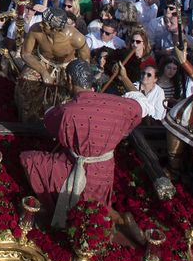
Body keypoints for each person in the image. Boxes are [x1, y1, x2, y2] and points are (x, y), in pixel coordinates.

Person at [19, 59, 142, 228]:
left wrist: (50, 108)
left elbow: (49, 121)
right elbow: (141, 106)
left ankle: (51, 209)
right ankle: (119, 219)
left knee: (29, 159)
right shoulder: (123, 105)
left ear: (69, 80)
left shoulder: (66, 111)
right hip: (104, 169)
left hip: (75, 166)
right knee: (95, 205)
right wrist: (125, 79)